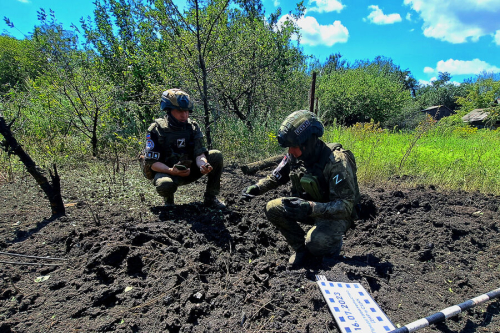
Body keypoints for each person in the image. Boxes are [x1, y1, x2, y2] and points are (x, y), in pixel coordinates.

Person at [242, 110, 360, 267]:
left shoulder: (336, 162)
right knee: (273, 208)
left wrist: (310, 207)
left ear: (308, 142)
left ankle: (331, 246)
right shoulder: (295, 155)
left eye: (294, 147)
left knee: (316, 243)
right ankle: (300, 249)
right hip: (307, 208)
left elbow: (345, 206)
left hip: (336, 216)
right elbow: (276, 177)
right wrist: (257, 188)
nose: (290, 152)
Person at [142, 88, 225, 208]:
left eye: (186, 111)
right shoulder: (157, 129)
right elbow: (152, 163)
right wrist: (171, 171)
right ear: (169, 110)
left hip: (190, 171)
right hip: (168, 173)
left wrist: (203, 165)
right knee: (165, 184)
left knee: (216, 155)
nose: (184, 115)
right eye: (179, 111)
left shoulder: (192, 127)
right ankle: (169, 203)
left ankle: (211, 198)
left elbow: (199, 154)